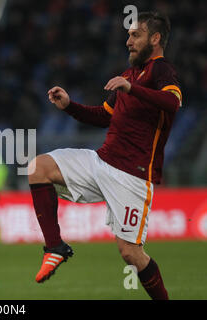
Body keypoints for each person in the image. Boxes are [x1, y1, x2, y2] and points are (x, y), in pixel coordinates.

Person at [28, 12, 180, 300]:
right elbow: (102, 117)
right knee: (38, 167)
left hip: (132, 176)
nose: (128, 41)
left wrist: (132, 89)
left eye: (136, 35)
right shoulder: (127, 75)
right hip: (101, 161)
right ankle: (55, 247)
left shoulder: (162, 70)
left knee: (131, 254)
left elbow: (172, 103)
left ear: (155, 38)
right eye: (129, 35)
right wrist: (70, 106)